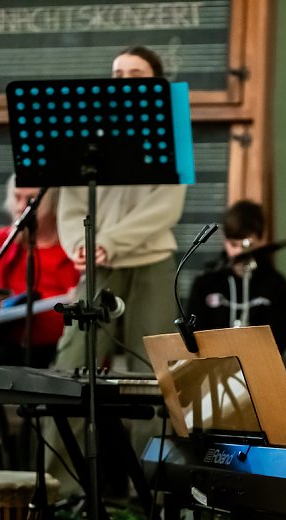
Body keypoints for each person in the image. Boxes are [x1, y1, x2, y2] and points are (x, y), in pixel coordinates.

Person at [54, 45, 186, 373]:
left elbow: (166, 207)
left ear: (157, 83)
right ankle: (62, 427)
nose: (124, 81)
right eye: (118, 75)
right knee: (73, 360)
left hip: (152, 263)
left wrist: (109, 241)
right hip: (100, 265)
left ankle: (153, 429)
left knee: (157, 367)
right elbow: (71, 201)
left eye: (135, 75)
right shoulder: (85, 131)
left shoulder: (176, 128)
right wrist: (77, 243)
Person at [0, 175, 79, 468]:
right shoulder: (1, 242)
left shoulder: (73, 248)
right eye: (16, 197)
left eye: (31, 200)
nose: (21, 207)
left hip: (54, 352)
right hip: (4, 345)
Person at [187, 199, 286, 352]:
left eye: (247, 244)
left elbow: (282, 338)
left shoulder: (276, 284)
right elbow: (192, 334)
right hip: (215, 362)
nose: (239, 253)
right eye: (233, 245)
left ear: (261, 238)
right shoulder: (205, 281)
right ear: (224, 239)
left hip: (260, 361)